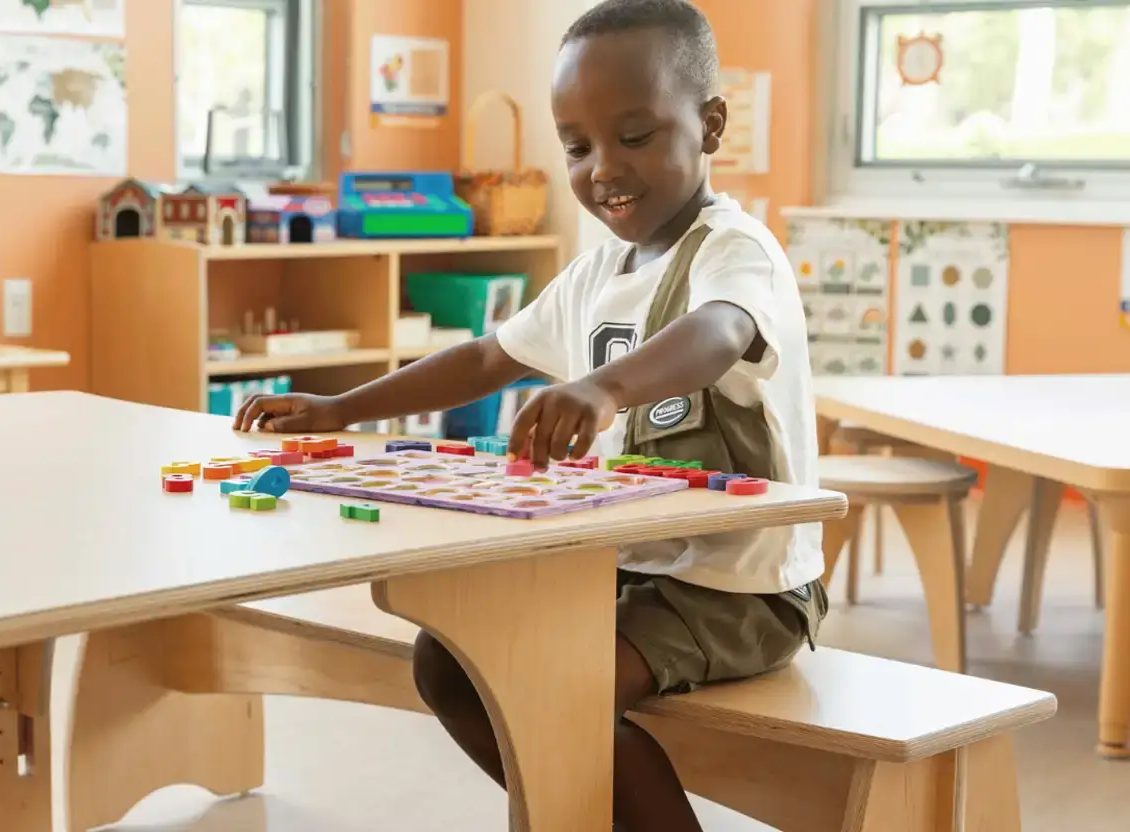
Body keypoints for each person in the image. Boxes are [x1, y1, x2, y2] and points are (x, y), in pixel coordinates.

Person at [234, 0, 825, 827]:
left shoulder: (733, 251)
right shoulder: (597, 271)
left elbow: (720, 331)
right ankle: (572, 809)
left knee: (552, 682)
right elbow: (484, 357)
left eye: (636, 135)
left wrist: (605, 387)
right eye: (577, 147)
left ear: (711, 124)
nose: (603, 169)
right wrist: (343, 406)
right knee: (451, 660)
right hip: (628, 574)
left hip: (741, 591)